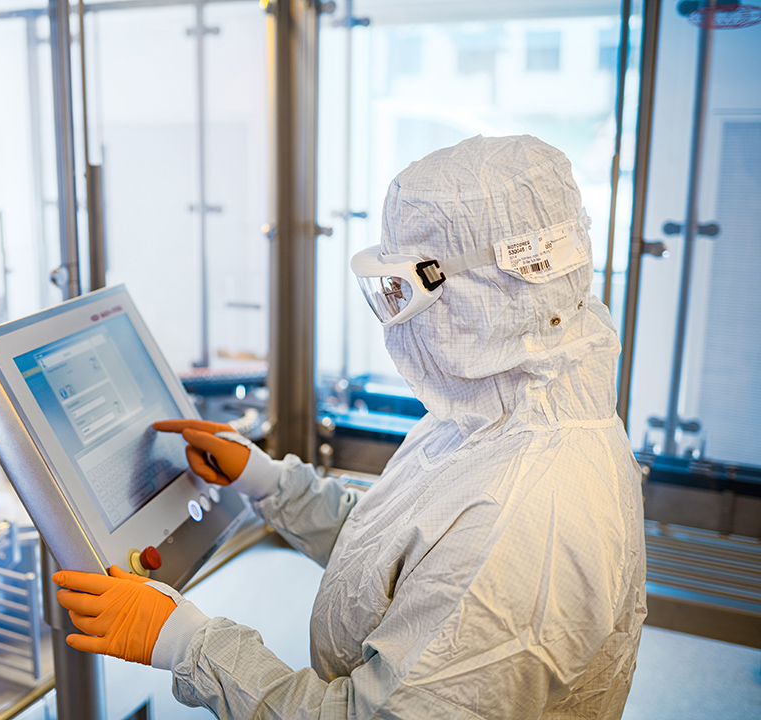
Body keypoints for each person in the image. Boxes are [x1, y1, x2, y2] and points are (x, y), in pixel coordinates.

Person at [53, 135, 647, 719]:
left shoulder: (527, 511)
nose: (393, 320)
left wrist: (188, 644)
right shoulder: (499, 412)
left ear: (481, 293)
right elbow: (401, 562)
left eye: (401, 292)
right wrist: (270, 485)